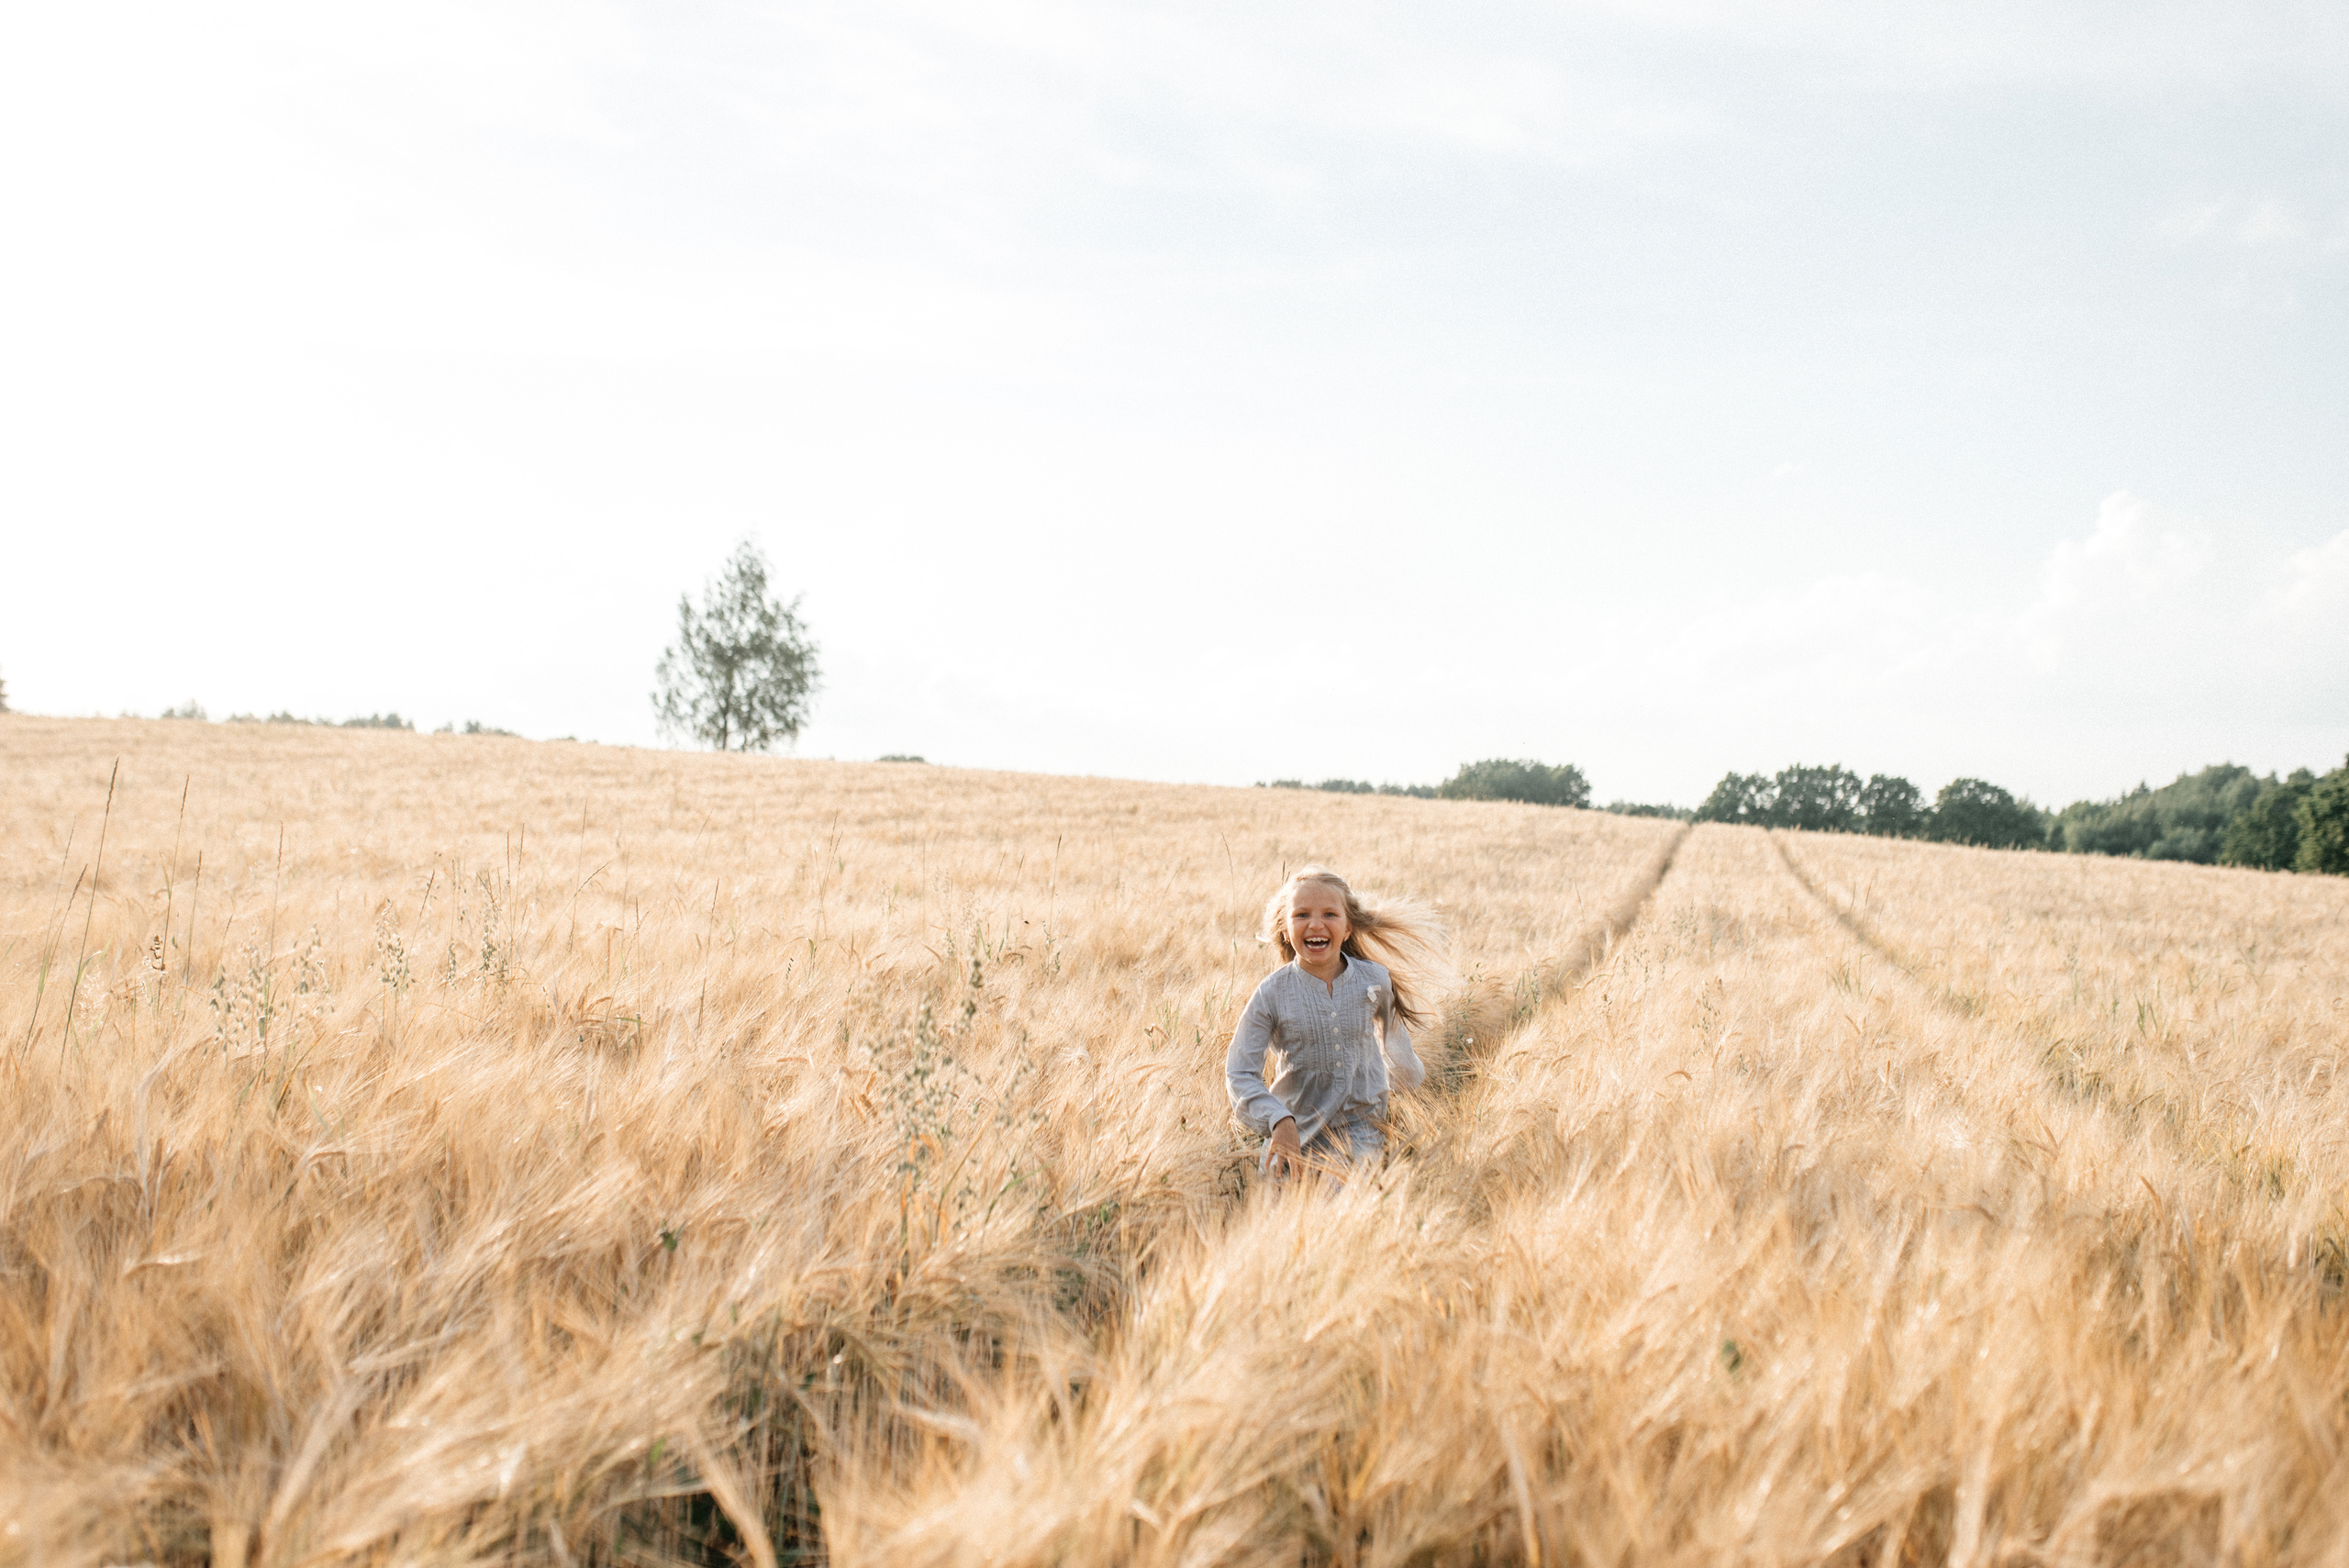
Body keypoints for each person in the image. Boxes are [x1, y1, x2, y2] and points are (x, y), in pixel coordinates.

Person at [1226, 865, 1451, 1187]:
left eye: (1330, 914)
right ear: (1285, 930)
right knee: (1280, 1225)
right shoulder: (1271, 993)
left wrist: (1404, 1102)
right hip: (1290, 1136)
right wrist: (1277, 1120)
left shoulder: (1374, 979)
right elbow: (1239, 1071)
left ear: (1348, 928)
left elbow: (1398, 1048)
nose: (1315, 924)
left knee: (1344, 1207)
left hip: (1358, 1133)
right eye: (1301, 914)